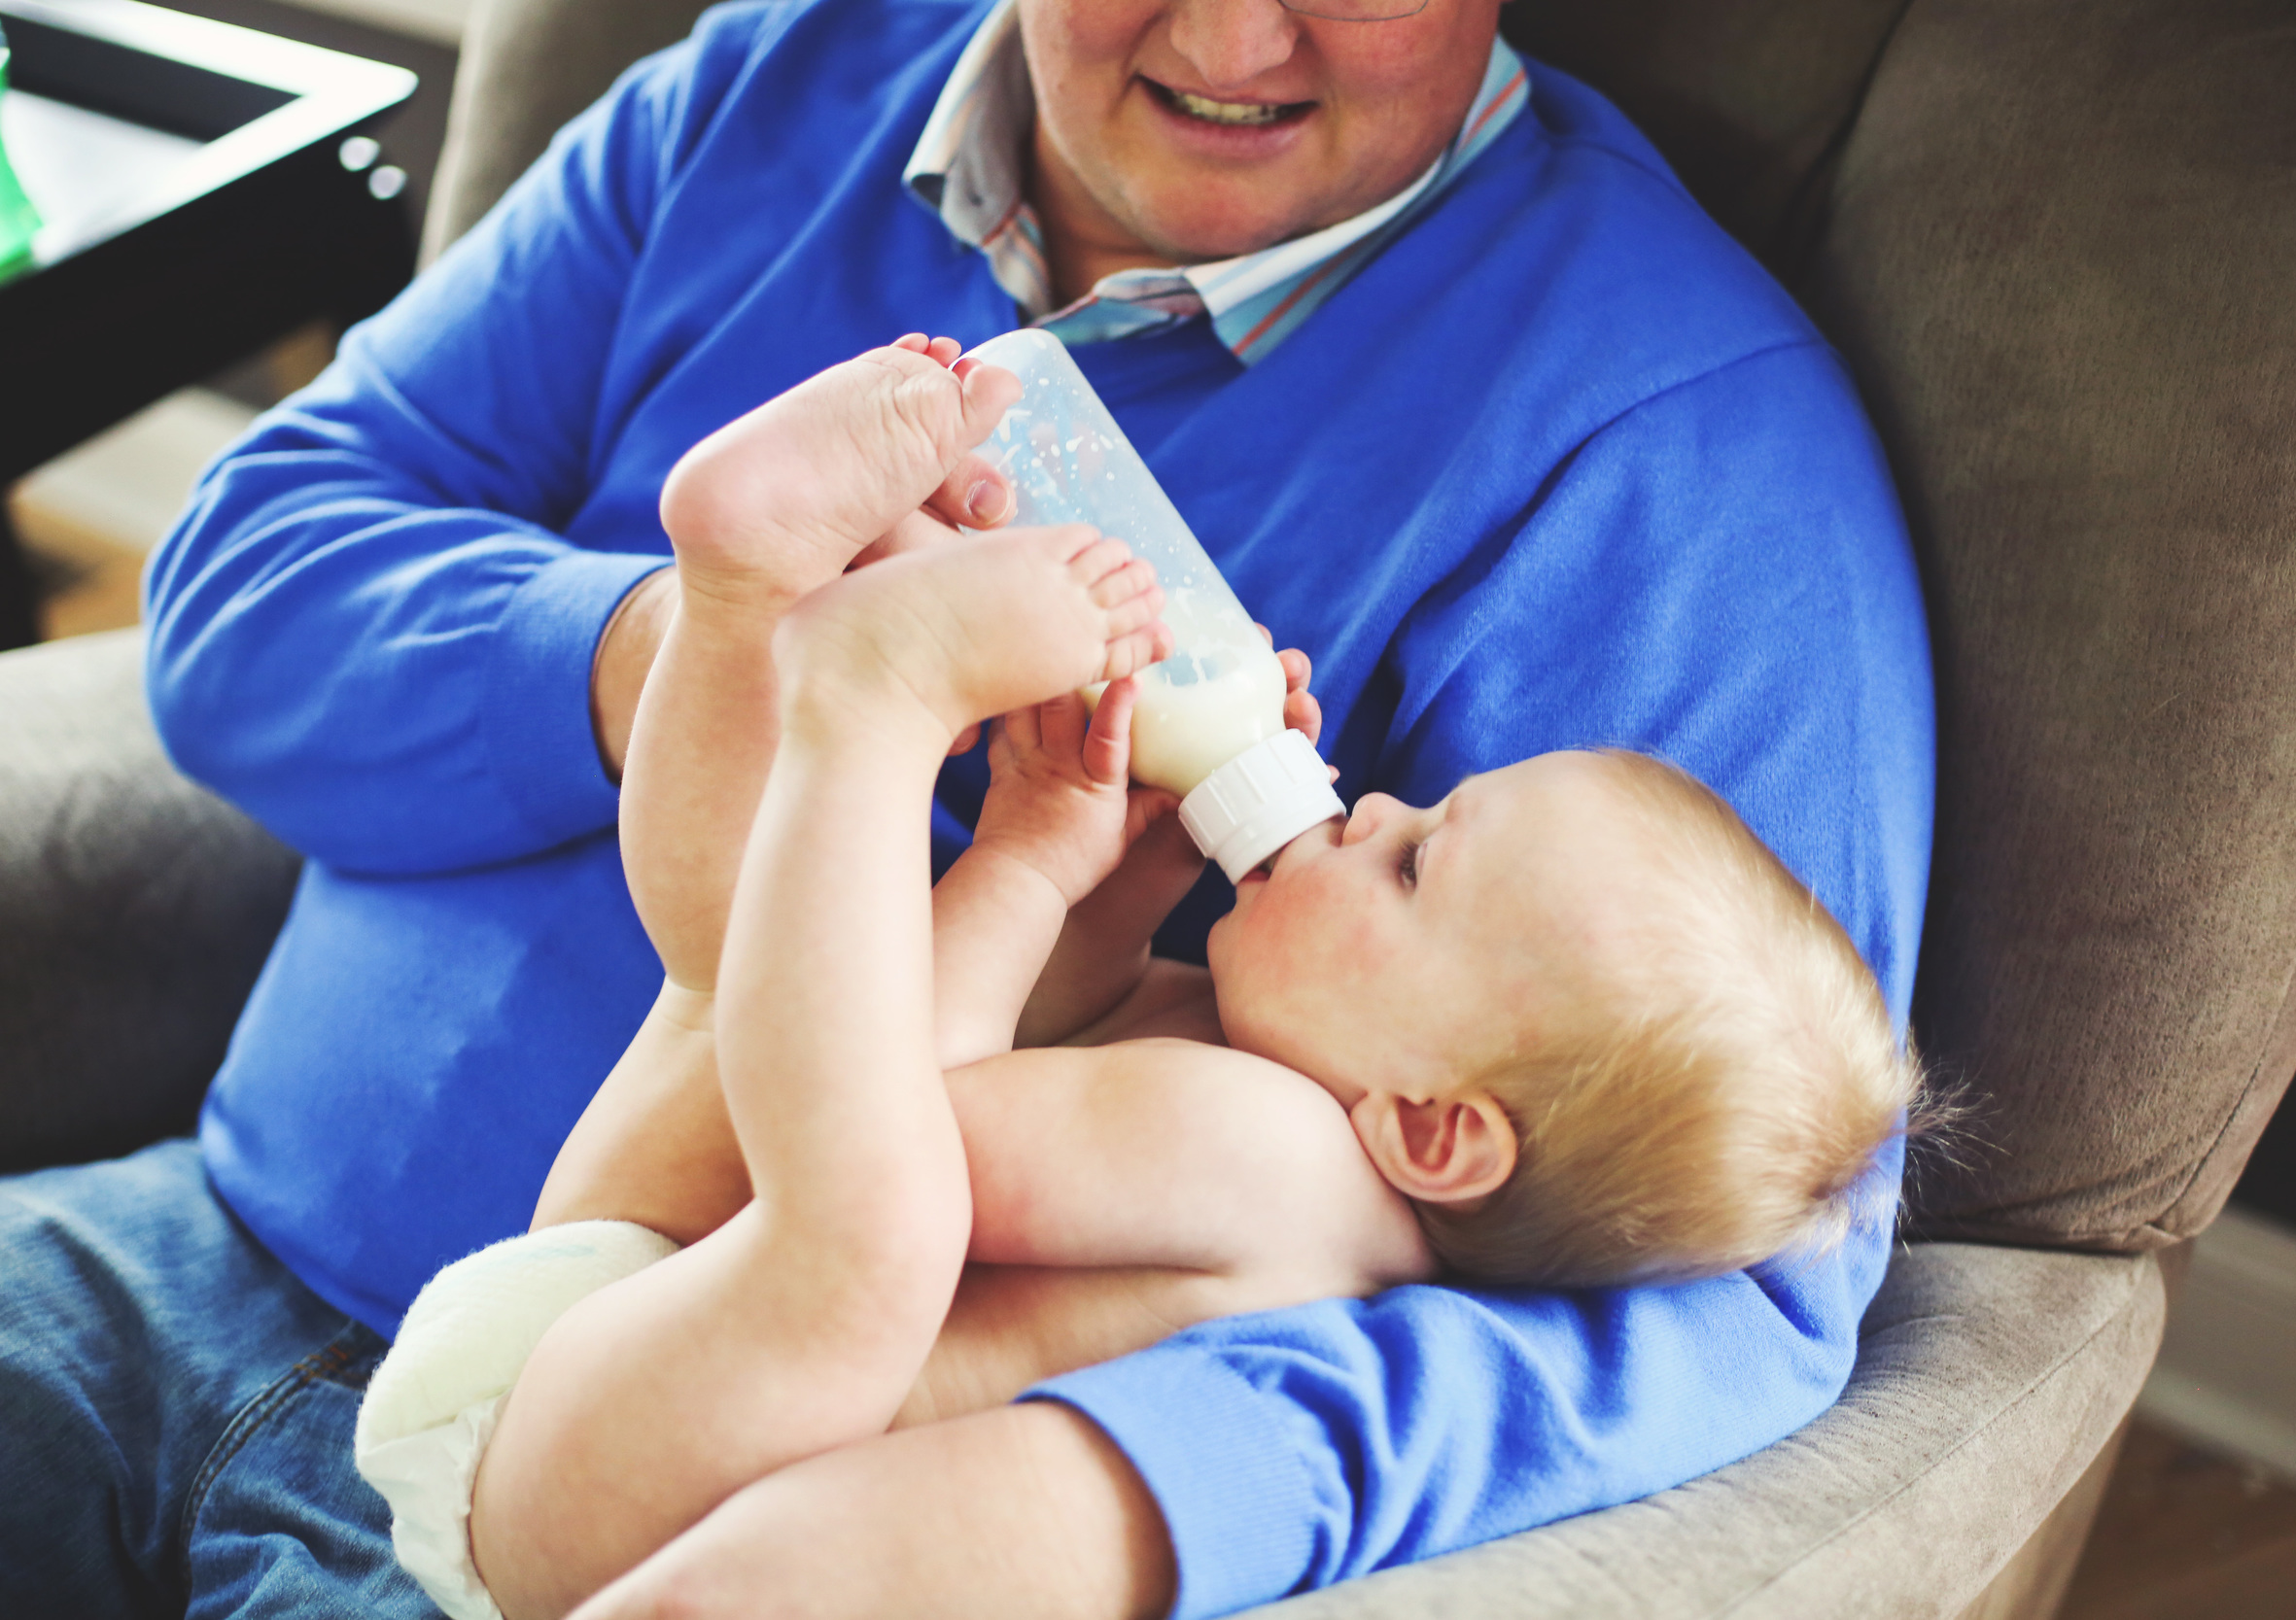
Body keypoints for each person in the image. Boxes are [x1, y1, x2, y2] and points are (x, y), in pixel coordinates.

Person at [0, 0, 1934, 1615]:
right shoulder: (772, 80)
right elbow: (245, 583)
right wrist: (683, 654)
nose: (1231, 36)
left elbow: (1728, 1259)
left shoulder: (1681, 456)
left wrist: (1040, 1507)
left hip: (625, 1478)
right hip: (201, 1243)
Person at [349, 334, 1919, 1620]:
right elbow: (1026, 1034)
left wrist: (977, 810)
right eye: (1426, 809)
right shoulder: (1266, 1081)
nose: (1376, 804)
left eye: (1415, 864)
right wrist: (1089, 873)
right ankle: (744, 585)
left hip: (607, 1470)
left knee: (861, 1190)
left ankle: (850, 681)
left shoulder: (1277, 1152)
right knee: (735, 970)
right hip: (638, 1364)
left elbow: (903, 1102)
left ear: (1438, 1129)